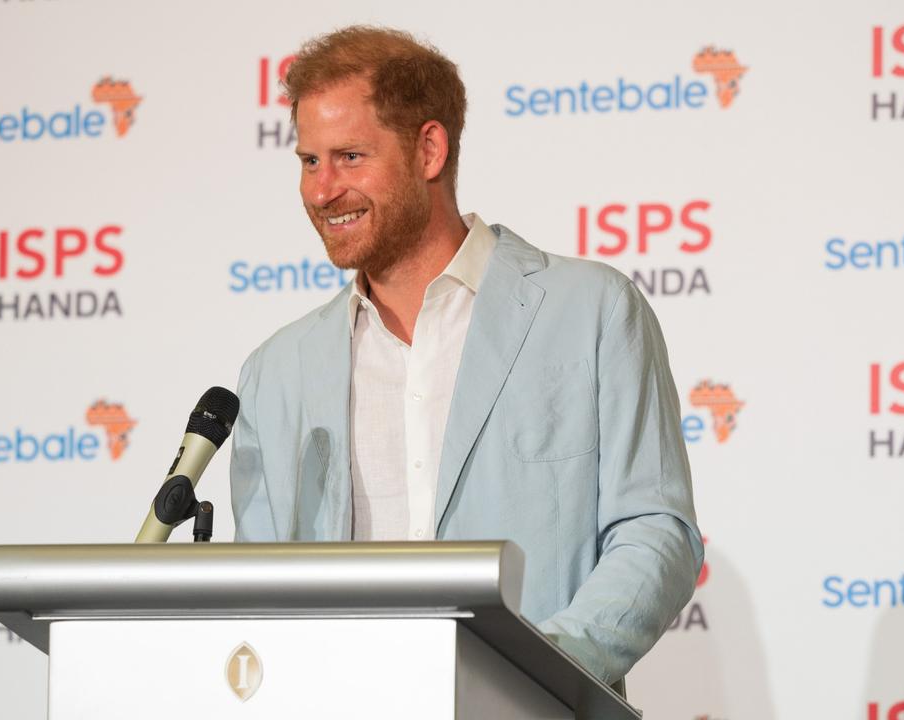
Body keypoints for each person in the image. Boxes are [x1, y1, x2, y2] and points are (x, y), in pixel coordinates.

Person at [229, 25, 702, 684]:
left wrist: (540, 678)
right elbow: (259, 598)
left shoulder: (590, 309)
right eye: (310, 161)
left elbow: (654, 531)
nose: (321, 190)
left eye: (350, 158)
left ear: (429, 149)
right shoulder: (276, 372)